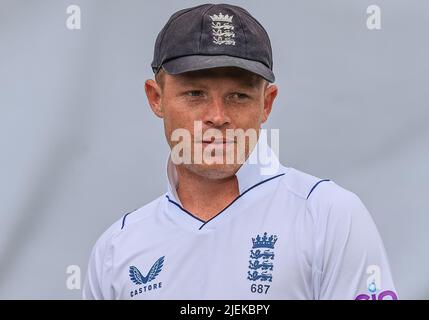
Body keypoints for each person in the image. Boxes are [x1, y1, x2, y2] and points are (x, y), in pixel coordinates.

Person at [83, 3, 398, 300]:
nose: (218, 116)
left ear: (267, 103)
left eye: (238, 95)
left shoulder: (328, 216)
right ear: (156, 98)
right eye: (195, 93)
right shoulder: (116, 249)